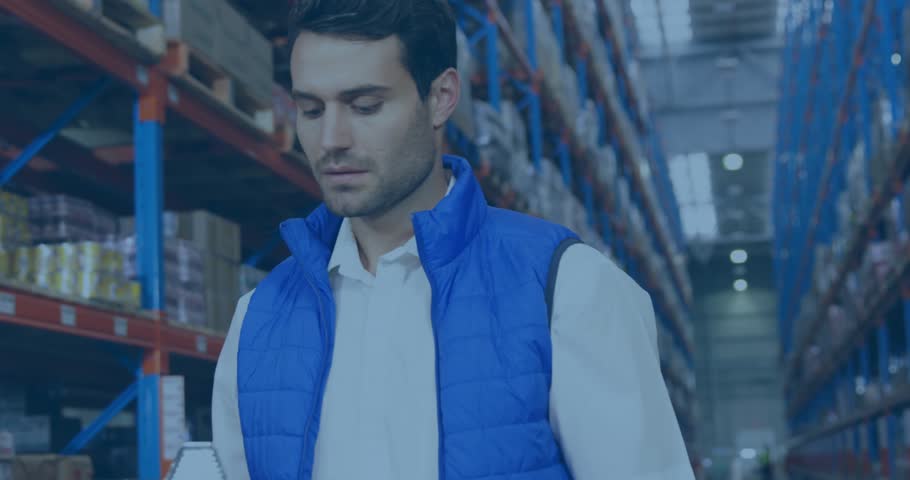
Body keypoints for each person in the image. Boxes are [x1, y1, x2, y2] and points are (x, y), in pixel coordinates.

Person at [211, 0, 694, 479]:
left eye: (365, 106)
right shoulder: (257, 320)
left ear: (441, 96)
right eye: (311, 110)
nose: (331, 138)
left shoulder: (567, 290)